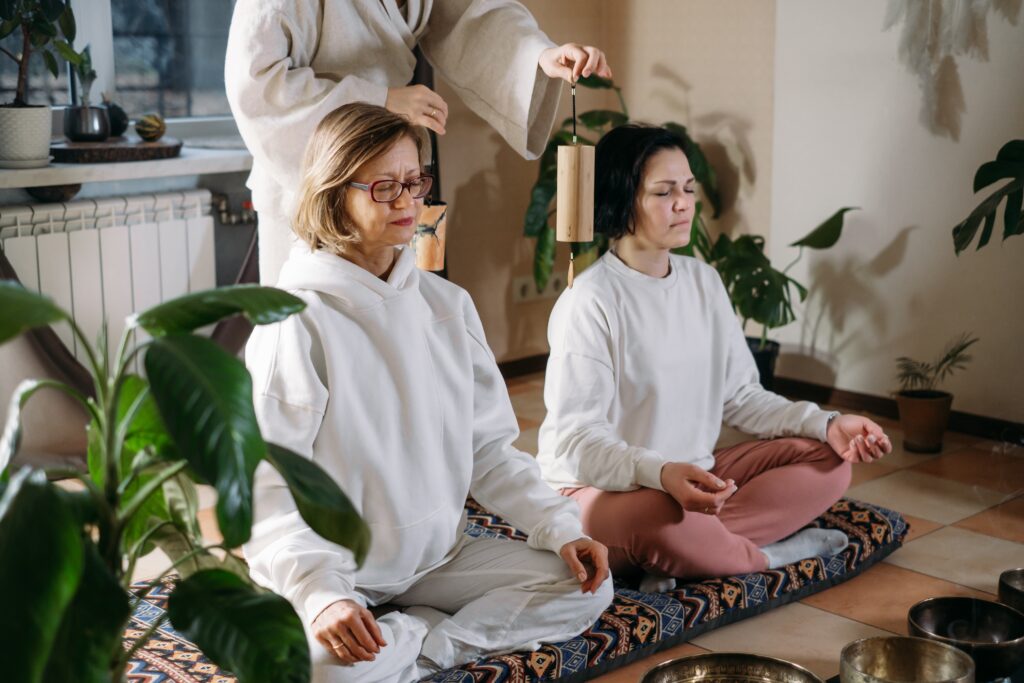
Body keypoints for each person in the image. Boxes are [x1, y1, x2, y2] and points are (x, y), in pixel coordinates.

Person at [243, 103, 613, 683]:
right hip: (340, 570)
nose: (407, 202)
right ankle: (400, 632)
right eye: (385, 186)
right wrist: (321, 596)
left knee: (587, 585)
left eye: (415, 182)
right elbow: (267, 487)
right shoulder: (295, 320)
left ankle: (418, 645)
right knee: (315, 671)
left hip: (441, 557)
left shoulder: (447, 307)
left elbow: (488, 451)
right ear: (334, 193)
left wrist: (560, 527)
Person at [536, 124, 893, 591]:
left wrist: (828, 423)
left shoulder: (703, 282)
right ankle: (766, 555)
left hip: (694, 483)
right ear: (622, 201)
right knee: (657, 514)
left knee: (829, 460)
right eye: (664, 192)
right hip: (604, 493)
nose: (684, 203)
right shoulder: (590, 302)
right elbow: (577, 441)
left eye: (688, 188)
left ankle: (689, 552)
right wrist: (660, 474)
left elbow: (742, 397)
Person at [225, 0, 612, 284]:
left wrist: (538, 55)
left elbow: (471, 14)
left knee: (394, 327)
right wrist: (382, 99)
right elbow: (257, 86)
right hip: (315, 176)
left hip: (393, 173)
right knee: (312, 337)